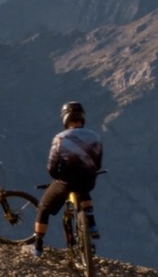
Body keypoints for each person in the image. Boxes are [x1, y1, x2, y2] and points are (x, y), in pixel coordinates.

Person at [29, 101, 103, 258]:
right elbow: (97, 163)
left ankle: (37, 247)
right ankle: (91, 222)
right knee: (83, 189)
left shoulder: (60, 138)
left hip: (66, 182)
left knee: (43, 208)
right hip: (88, 180)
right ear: (82, 117)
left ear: (65, 118)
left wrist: (57, 178)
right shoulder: (95, 136)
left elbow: (51, 167)